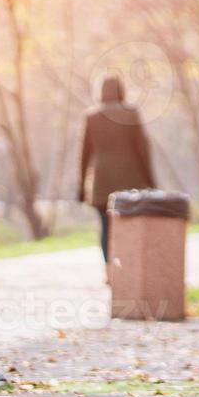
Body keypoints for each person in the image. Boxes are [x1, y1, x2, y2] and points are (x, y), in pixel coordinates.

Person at [77, 74, 156, 262]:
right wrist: (150, 181)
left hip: (101, 184)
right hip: (131, 182)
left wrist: (80, 187)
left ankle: (109, 270)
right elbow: (143, 150)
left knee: (105, 226)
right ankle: (127, 267)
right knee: (128, 226)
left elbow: (84, 155)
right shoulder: (131, 114)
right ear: (121, 90)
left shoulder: (91, 116)